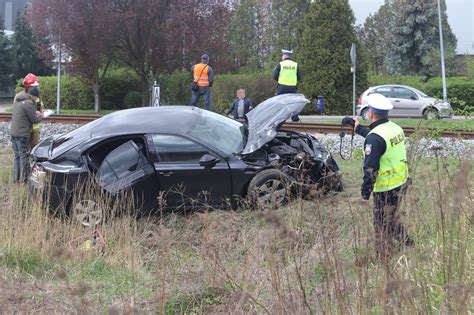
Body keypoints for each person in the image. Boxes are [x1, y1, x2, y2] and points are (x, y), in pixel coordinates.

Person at [352, 93, 413, 258]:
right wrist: (358, 128)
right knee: (391, 216)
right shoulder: (394, 127)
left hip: (386, 187)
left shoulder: (375, 138)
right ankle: (407, 243)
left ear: (370, 113)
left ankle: (383, 256)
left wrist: (365, 192)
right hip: (402, 181)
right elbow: (379, 140)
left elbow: (370, 168)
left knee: (381, 222)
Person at [10, 86, 43, 183]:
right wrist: (42, 116)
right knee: (24, 156)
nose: (36, 99)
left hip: (14, 133)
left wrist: (34, 112)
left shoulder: (18, 101)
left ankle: (16, 179)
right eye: (36, 97)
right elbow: (34, 120)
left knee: (17, 156)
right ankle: (24, 180)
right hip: (22, 134)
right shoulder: (29, 103)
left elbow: (24, 114)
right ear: (33, 96)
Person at [14, 73, 43, 151]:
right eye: (34, 86)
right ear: (28, 86)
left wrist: (39, 112)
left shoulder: (36, 95)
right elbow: (19, 111)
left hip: (35, 128)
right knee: (24, 150)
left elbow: (41, 108)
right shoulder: (19, 96)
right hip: (25, 128)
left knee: (34, 149)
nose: (36, 87)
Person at [273, 49, 302, 122]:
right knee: (292, 102)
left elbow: (274, 76)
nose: (282, 57)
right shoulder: (295, 65)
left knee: (279, 102)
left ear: (285, 56)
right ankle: (294, 117)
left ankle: (279, 118)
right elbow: (299, 77)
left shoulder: (280, 64)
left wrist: (280, 80)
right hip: (292, 87)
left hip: (282, 87)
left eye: (282, 55)